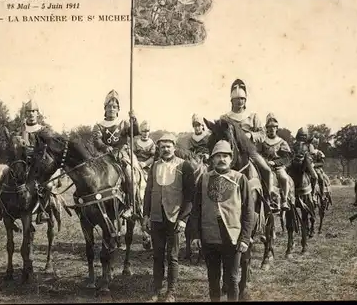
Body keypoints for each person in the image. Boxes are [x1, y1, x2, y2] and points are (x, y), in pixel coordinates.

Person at [189, 140, 255, 302]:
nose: (222, 159)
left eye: (225, 156)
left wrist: (245, 238)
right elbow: (196, 210)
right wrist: (196, 235)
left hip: (232, 236)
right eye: (218, 156)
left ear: (231, 159)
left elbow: (248, 211)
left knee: (232, 279)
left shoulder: (240, 179)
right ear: (212, 159)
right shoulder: (204, 179)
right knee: (212, 279)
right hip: (209, 235)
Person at [142, 133, 195, 302]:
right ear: (158, 148)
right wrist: (145, 215)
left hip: (174, 218)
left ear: (174, 147)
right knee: (157, 255)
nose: (165, 149)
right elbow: (148, 192)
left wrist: (183, 219)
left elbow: (190, 196)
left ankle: (171, 292)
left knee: (172, 256)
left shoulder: (184, 166)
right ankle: (156, 289)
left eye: (168, 146)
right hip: (157, 217)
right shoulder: (155, 166)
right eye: (162, 146)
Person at [0, 99, 53, 225]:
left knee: (48, 186)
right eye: (28, 111)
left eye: (33, 111)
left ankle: (42, 212)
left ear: (38, 113)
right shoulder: (19, 129)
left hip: (36, 165)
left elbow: (47, 149)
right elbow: (12, 146)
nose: (31, 114)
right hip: (18, 163)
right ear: (25, 113)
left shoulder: (44, 130)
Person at [220, 79, 278, 212]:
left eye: (242, 99)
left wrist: (251, 136)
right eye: (237, 99)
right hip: (229, 152)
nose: (239, 102)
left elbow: (262, 133)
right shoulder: (225, 118)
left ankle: (269, 200)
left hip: (250, 151)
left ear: (245, 100)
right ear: (231, 101)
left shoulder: (253, 116)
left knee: (267, 170)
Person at [92, 89, 140, 219]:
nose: (112, 109)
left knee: (130, 174)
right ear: (105, 108)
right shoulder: (99, 125)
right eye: (109, 107)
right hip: (105, 155)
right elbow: (96, 140)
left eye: (114, 107)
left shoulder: (124, 123)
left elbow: (135, 132)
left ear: (118, 109)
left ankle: (131, 205)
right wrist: (104, 147)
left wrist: (134, 119)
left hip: (122, 153)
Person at [260, 113, 292, 211]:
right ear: (266, 128)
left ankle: (284, 200)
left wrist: (276, 162)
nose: (271, 129)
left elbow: (287, 158)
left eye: (273, 127)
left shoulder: (281, 142)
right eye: (269, 127)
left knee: (284, 178)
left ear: (276, 128)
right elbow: (258, 153)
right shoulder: (262, 141)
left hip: (278, 167)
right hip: (265, 166)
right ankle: (269, 200)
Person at [289, 127, 318, 203]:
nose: (302, 137)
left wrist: (309, 157)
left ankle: (313, 194)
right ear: (298, 135)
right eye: (301, 135)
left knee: (315, 176)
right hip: (294, 162)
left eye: (304, 135)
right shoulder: (294, 144)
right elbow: (290, 152)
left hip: (306, 161)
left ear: (307, 136)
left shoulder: (309, 145)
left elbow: (312, 154)